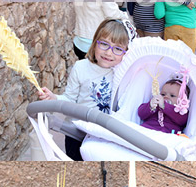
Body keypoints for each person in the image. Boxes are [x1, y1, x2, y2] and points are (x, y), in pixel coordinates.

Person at [38, 17, 130, 159]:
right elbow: (69, 98)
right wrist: (54, 98)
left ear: (126, 52)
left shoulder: (121, 73)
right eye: (104, 44)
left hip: (104, 135)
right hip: (76, 132)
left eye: (118, 49)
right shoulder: (80, 67)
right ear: (95, 43)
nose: (109, 53)